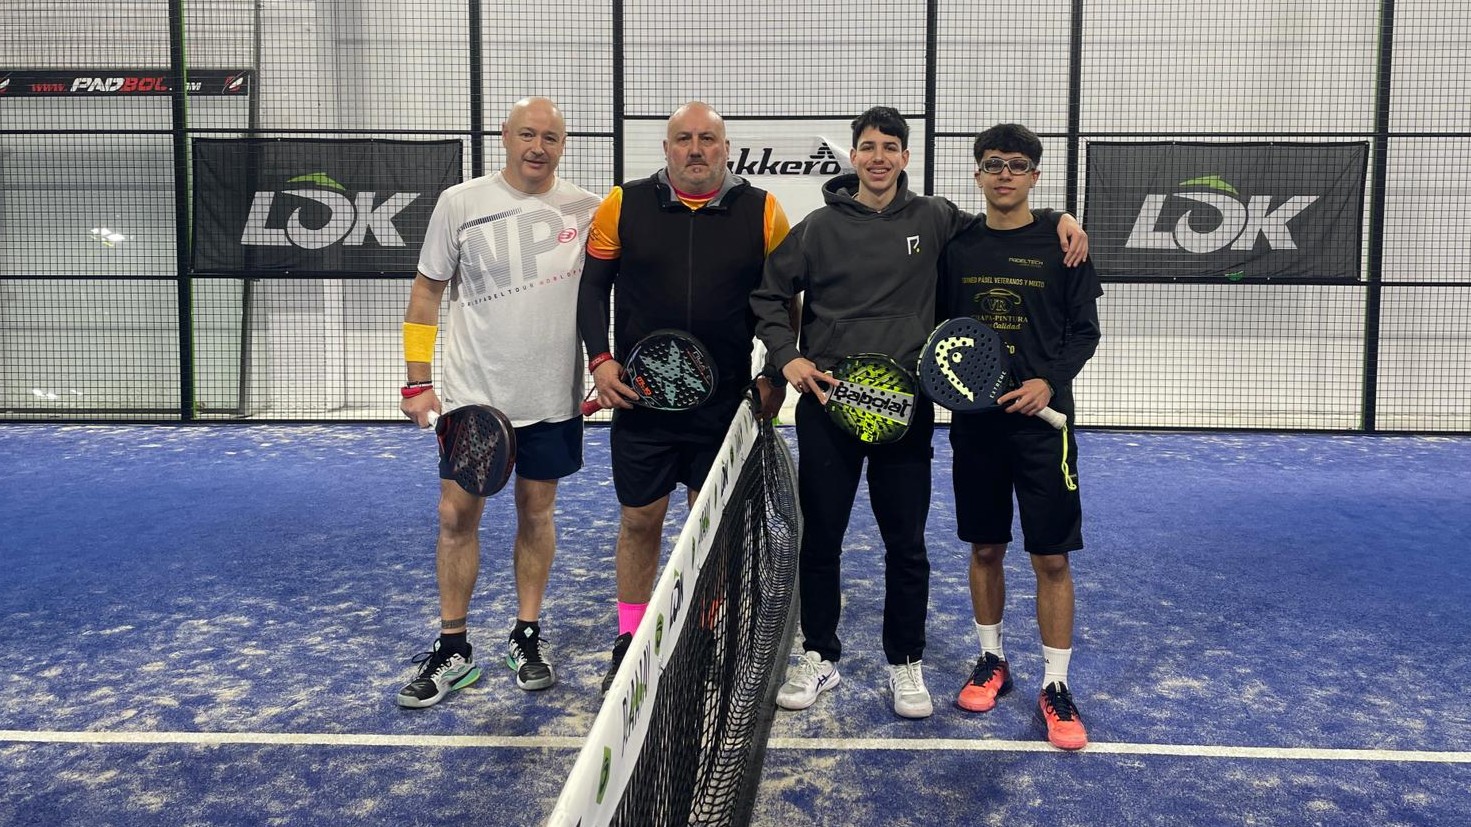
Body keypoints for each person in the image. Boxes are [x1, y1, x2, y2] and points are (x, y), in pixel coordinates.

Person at [750, 107, 1087, 720]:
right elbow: (769, 296)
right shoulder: (817, 228)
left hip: (904, 410)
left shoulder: (936, 218)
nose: (878, 157)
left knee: (905, 544)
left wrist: (1059, 218)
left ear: (906, 157)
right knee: (821, 538)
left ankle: (905, 661)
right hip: (829, 405)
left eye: (890, 147)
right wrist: (787, 357)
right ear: (853, 156)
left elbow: (1005, 220)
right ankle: (819, 655)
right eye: (868, 147)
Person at [576, 101, 792, 695]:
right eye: (683, 139)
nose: (695, 149)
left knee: (709, 528)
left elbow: (784, 303)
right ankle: (630, 638)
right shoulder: (623, 204)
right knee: (640, 520)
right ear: (666, 148)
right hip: (641, 402)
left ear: (727, 149)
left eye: (707, 139)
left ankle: (702, 633)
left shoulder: (764, 211)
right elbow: (592, 290)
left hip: (722, 407)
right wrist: (600, 361)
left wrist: (775, 372)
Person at [395, 97, 602, 708]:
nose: (538, 147)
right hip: (473, 399)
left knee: (537, 514)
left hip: (552, 399)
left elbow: (611, 291)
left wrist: (605, 367)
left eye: (551, 138)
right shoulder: (460, 203)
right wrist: (416, 382)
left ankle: (526, 634)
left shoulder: (589, 209)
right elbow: (427, 291)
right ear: (506, 138)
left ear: (563, 145)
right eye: (527, 135)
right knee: (456, 517)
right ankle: (453, 648)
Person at [940, 123, 1102, 749]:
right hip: (976, 425)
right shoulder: (956, 246)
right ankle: (992, 660)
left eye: (1016, 164)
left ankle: (1056, 685)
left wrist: (1047, 383)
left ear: (1035, 175)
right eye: (992, 163)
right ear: (977, 174)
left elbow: (1084, 331)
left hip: (1043, 429)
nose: (1003, 174)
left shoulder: (1064, 244)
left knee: (1051, 558)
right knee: (985, 548)